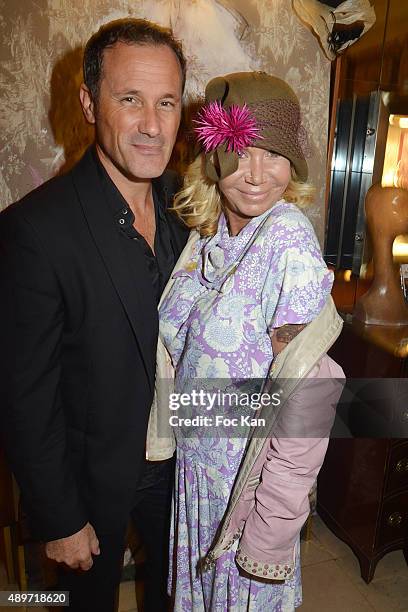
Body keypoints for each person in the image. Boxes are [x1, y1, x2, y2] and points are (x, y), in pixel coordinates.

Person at [0, 18, 188, 612]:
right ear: (88, 102)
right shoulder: (34, 230)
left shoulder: (193, 209)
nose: (153, 126)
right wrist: (59, 518)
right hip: (89, 482)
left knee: (176, 596)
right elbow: (25, 394)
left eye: (167, 103)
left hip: (180, 465)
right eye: (129, 100)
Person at [147, 71, 344, 610]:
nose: (258, 174)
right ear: (213, 159)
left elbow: (310, 399)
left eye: (275, 154)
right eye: (242, 152)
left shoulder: (285, 239)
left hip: (247, 500)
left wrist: (270, 531)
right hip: (197, 483)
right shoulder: (206, 234)